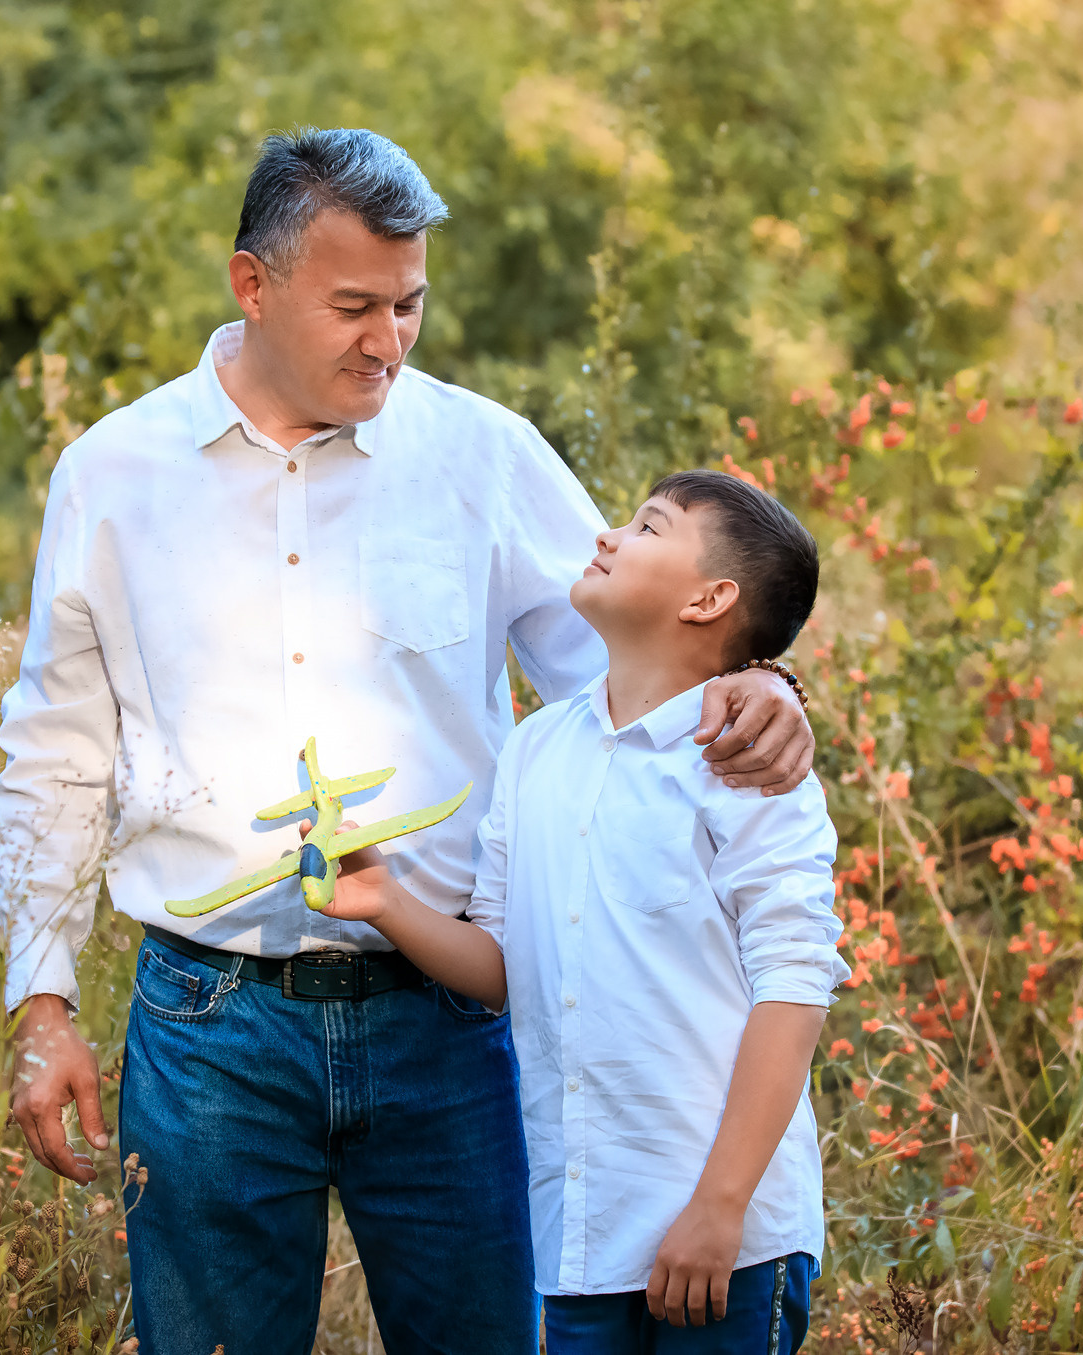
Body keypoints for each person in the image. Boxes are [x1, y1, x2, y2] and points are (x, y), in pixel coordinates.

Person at [0, 128, 818, 1355]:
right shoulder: (112, 474)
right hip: (211, 1023)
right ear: (251, 285)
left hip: (454, 1027)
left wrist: (770, 686)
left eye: (410, 303)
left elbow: (643, 675)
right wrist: (41, 1004)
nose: (388, 339)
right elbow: (56, 749)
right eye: (353, 306)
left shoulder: (482, 455)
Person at [319, 469, 851, 1355]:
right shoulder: (536, 750)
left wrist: (720, 1208)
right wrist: (387, 903)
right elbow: (502, 966)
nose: (607, 536)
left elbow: (794, 989)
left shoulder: (746, 763)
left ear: (710, 597)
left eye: (647, 527)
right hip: (583, 1235)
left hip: (727, 1235)